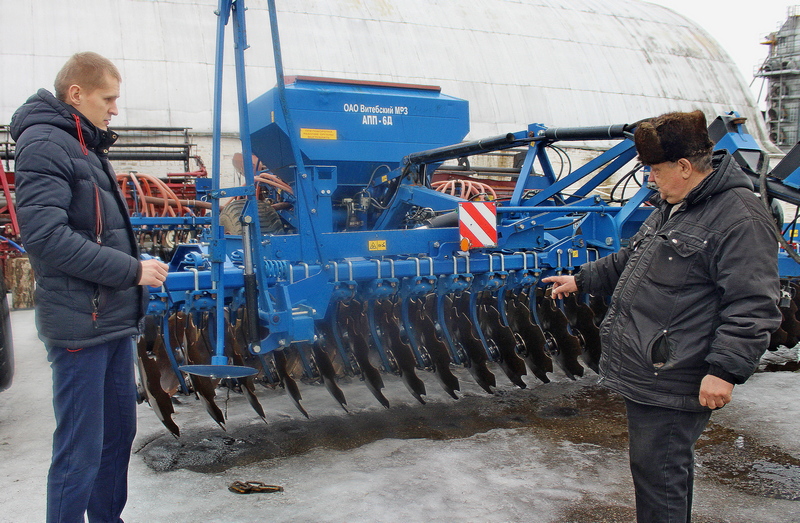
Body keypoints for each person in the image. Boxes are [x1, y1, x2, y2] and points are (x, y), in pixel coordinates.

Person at [542, 110, 781, 523]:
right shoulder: (678, 203)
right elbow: (633, 256)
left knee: (661, 475)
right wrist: (581, 279)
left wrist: (724, 371)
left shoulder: (739, 218)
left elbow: (754, 303)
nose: (649, 178)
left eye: (655, 169)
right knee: (657, 472)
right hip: (653, 367)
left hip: (678, 371)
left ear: (685, 167)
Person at [10, 52, 169, 522]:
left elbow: (93, 228)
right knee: (80, 448)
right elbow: (46, 238)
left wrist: (133, 265)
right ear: (76, 94)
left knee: (117, 436)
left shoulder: (85, 144)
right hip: (81, 326)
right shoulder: (45, 144)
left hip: (111, 321)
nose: (115, 109)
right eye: (109, 98)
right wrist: (131, 271)